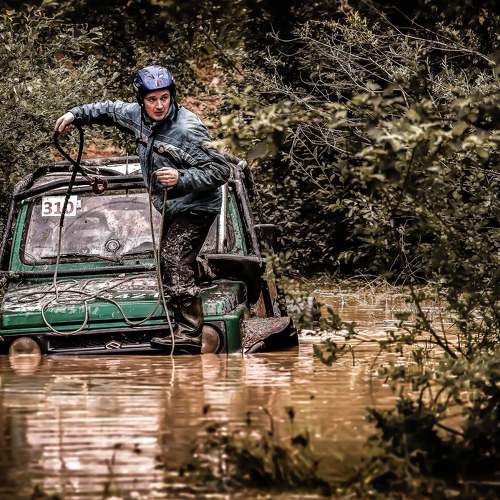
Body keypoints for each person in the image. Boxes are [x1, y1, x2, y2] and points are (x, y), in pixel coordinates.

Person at [54, 65, 231, 354]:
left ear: (172, 96)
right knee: (170, 261)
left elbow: (221, 170)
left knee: (173, 258)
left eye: (164, 98)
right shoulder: (136, 116)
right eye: (152, 99)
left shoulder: (188, 130)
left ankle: (188, 333)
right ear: (141, 100)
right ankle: (198, 277)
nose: (159, 105)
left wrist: (181, 178)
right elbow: (109, 110)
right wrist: (76, 114)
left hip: (199, 204)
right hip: (172, 204)